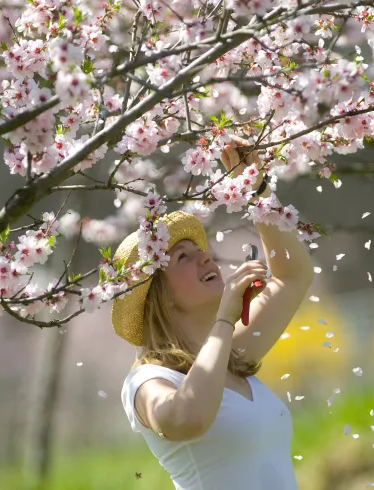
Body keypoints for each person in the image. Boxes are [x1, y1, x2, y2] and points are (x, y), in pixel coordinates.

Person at [112, 136, 314, 490]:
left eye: (200, 250)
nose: (206, 257)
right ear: (158, 296)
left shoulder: (232, 357)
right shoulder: (147, 382)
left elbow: (293, 276)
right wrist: (224, 318)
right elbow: (188, 418)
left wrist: (256, 188)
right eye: (183, 258)